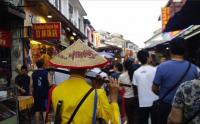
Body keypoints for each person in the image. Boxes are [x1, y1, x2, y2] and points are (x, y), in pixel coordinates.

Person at [50, 39, 120, 124]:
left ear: (68, 67)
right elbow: (110, 120)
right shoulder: (96, 94)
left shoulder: (56, 91)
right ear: (87, 68)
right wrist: (113, 99)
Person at [152, 37, 199, 124]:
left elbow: (154, 88)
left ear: (170, 50)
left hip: (166, 107)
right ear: (185, 50)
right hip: (188, 109)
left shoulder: (162, 67)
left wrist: (163, 94)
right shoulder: (194, 68)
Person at [132, 50, 158, 124]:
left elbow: (136, 87)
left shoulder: (136, 72)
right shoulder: (155, 70)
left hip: (142, 101)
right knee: (155, 121)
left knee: (144, 121)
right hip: (155, 100)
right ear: (148, 58)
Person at [118, 59, 139, 124]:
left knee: (129, 118)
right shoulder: (136, 74)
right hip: (136, 98)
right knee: (136, 117)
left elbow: (120, 88)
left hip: (127, 98)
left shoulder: (121, 76)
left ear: (124, 66)